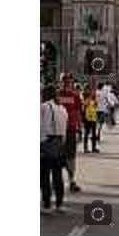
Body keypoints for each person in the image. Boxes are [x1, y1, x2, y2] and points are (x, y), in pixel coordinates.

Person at [40, 84, 68, 213]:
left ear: (46, 94)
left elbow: (42, 128)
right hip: (60, 144)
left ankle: (46, 204)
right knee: (58, 176)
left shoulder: (44, 107)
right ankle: (59, 203)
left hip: (47, 144)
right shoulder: (62, 108)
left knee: (45, 176)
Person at [57, 73, 82, 193]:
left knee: (71, 157)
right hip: (56, 132)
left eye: (69, 81)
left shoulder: (75, 96)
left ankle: (71, 181)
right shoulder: (55, 96)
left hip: (70, 130)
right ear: (61, 82)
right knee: (56, 157)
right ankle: (57, 181)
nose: (67, 83)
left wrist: (79, 129)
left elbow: (78, 113)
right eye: (65, 81)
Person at [83, 83, 99, 153]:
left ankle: (94, 147)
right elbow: (85, 104)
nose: (89, 91)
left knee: (94, 133)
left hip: (93, 117)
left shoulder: (93, 97)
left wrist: (95, 103)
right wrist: (90, 97)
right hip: (87, 117)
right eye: (88, 89)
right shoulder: (83, 96)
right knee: (86, 133)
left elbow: (95, 106)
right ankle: (85, 148)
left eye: (90, 90)